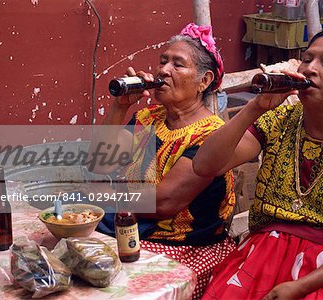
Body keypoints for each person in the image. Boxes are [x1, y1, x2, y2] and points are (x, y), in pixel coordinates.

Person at [193, 30, 323, 299]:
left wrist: (300, 286)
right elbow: (199, 170)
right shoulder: (141, 121)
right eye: (307, 59)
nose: (310, 68)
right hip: (256, 253)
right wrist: (257, 106)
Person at [87, 23, 236, 299]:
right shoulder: (147, 119)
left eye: (178, 65)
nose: (163, 70)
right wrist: (120, 107)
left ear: (204, 81)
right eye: (162, 61)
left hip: (183, 247)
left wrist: (107, 195)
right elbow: (100, 166)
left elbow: (165, 202)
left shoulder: (212, 135)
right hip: (130, 230)